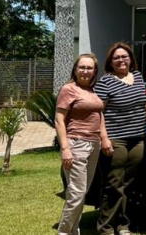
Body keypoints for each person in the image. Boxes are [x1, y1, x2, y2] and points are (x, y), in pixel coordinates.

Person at [94, 42, 146, 235]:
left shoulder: (139, 77)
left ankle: (123, 225)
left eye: (124, 56)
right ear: (110, 61)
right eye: (116, 58)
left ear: (131, 59)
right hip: (116, 139)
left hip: (137, 139)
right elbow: (98, 113)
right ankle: (105, 227)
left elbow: (145, 103)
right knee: (113, 184)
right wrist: (104, 139)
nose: (121, 60)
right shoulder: (105, 82)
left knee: (129, 184)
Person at [55, 53, 106, 235]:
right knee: (76, 194)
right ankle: (63, 232)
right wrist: (65, 149)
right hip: (76, 144)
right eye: (82, 67)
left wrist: (104, 138)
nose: (85, 71)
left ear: (94, 72)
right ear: (75, 70)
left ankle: (73, 231)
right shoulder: (69, 89)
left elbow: (99, 115)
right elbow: (59, 120)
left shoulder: (92, 91)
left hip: (94, 145)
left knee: (82, 192)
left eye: (89, 68)